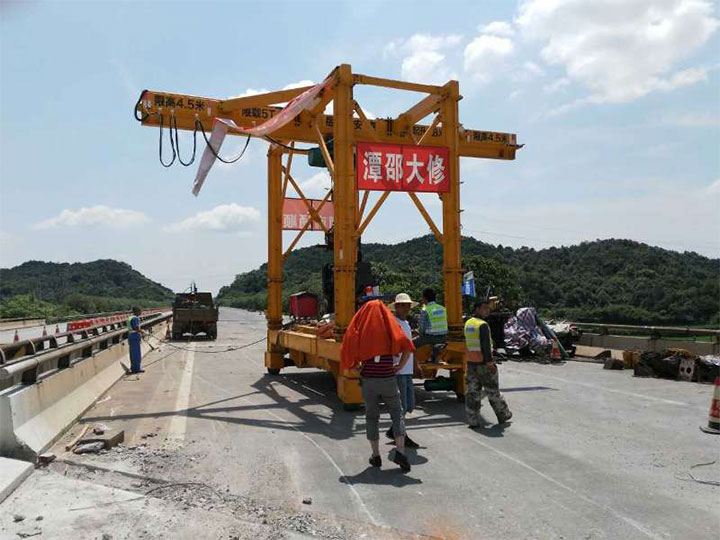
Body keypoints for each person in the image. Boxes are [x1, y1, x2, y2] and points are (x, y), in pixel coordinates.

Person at [341, 300, 414, 473]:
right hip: (388, 378)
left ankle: (375, 455)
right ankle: (400, 452)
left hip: (369, 381)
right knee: (397, 414)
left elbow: (348, 345)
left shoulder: (362, 329)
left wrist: (357, 367)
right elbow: (407, 348)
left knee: (372, 417)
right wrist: (400, 366)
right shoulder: (390, 328)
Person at [464, 300, 512, 426]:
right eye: (484, 308)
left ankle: (473, 420)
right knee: (492, 391)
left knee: (472, 393)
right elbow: (485, 346)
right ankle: (503, 414)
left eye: (487, 308)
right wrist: (490, 363)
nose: (487, 311)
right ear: (477, 309)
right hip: (484, 364)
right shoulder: (483, 325)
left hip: (471, 363)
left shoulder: (468, 323)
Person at [386, 293, 420, 448]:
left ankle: (394, 430)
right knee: (402, 406)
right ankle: (401, 434)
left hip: (406, 369)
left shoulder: (405, 323)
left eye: (408, 305)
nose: (407, 308)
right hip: (399, 369)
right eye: (404, 305)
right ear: (397, 307)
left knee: (409, 405)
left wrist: (415, 364)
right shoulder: (394, 323)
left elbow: (410, 347)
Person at [414, 288, 448, 361]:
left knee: (411, 344)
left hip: (429, 338)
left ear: (424, 298)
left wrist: (419, 333)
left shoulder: (425, 310)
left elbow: (421, 329)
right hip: (444, 338)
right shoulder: (443, 308)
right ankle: (435, 352)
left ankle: (413, 363)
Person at [127, 306, 147, 374]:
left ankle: (133, 367)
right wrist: (143, 332)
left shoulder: (130, 317)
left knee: (132, 353)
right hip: (135, 336)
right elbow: (136, 328)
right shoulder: (135, 318)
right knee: (136, 353)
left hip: (131, 336)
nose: (141, 312)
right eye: (140, 311)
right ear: (137, 311)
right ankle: (137, 369)